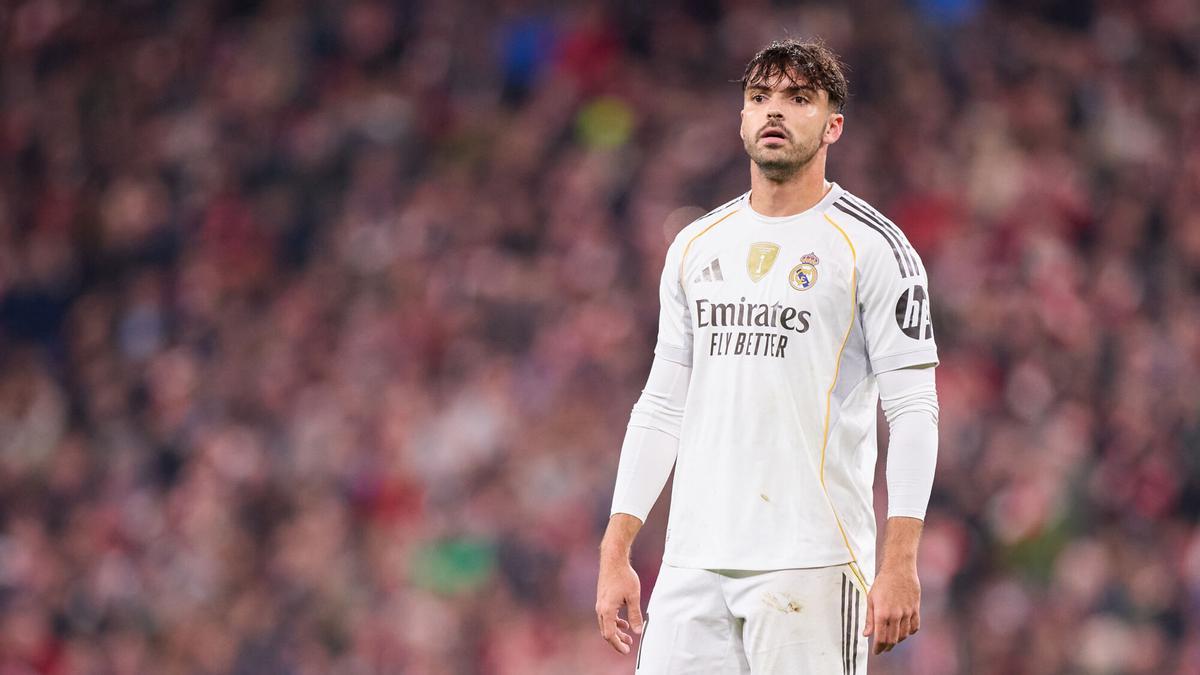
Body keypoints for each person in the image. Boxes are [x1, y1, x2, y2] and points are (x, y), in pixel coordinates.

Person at [595, 39, 940, 673]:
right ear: (742, 119)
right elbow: (661, 405)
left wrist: (900, 561)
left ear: (833, 125)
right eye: (760, 98)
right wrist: (617, 549)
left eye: (797, 98)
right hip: (692, 561)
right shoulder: (696, 246)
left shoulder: (875, 248)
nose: (774, 111)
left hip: (811, 561)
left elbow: (915, 411)